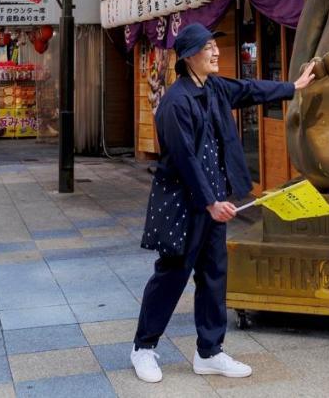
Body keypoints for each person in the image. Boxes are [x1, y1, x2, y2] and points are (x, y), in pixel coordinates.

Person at [131, 22, 316, 384]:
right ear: (188, 58)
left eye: (215, 46)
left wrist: (293, 87)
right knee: (171, 276)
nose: (216, 52)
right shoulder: (175, 103)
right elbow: (185, 160)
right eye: (207, 48)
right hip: (184, 205)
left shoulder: (213, 87)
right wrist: (210, 202)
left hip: (213, 204)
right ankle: (143, 347)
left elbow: (248, 89)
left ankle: (209, 352)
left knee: (214, 276)